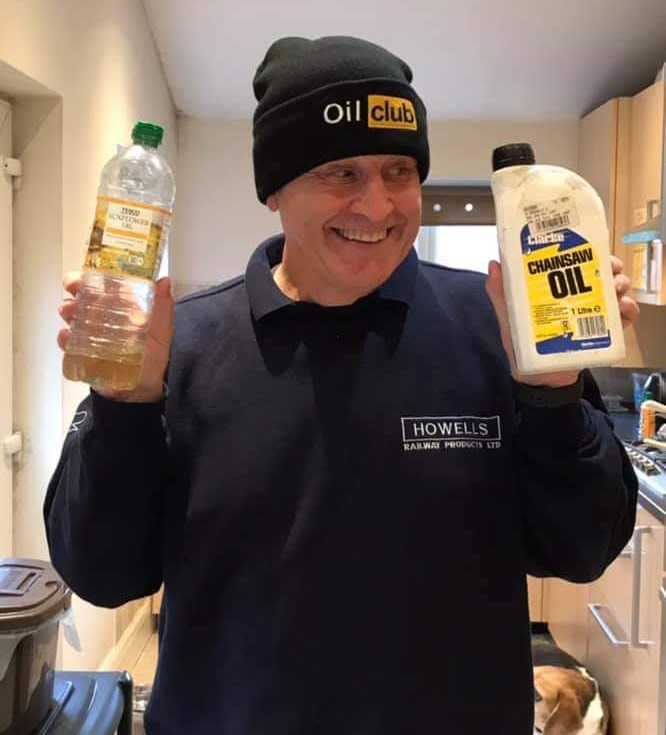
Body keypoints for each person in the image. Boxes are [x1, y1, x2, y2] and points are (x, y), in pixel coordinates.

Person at [45, 35, 639, 735]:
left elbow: (582, 549)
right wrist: (125, 406)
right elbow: (103, 574)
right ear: (274, 188)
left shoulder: (499, 330)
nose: (377, 205)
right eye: (341, 172)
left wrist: (555, 389)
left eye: (398, 170)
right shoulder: (182, 344)